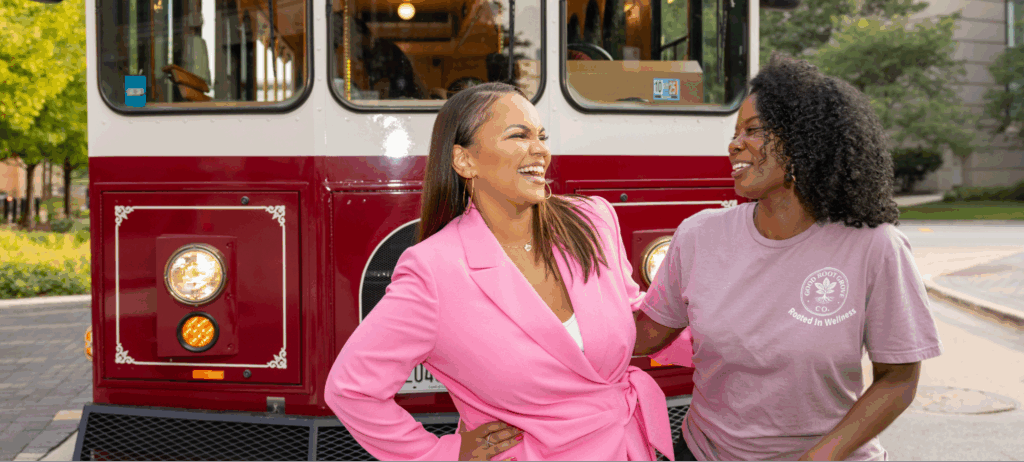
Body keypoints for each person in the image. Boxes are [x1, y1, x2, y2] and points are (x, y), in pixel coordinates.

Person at [325, 82, 682, 461]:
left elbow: (632, 315)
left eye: (541, 136)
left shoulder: (592, 220)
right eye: (518, 135)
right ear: (465, 161)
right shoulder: (434, 270)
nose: (541, 150)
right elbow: (352, 389)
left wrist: (728, 333)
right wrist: (442, 454)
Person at [634, 54, 943, 461]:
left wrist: (822, 455)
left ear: (805, 140)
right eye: (734, 132)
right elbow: (644, 335)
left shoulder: (875, 246)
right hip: (704, 452)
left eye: (753, 130)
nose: (734, 144)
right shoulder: (699, 234)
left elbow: (899, 378)